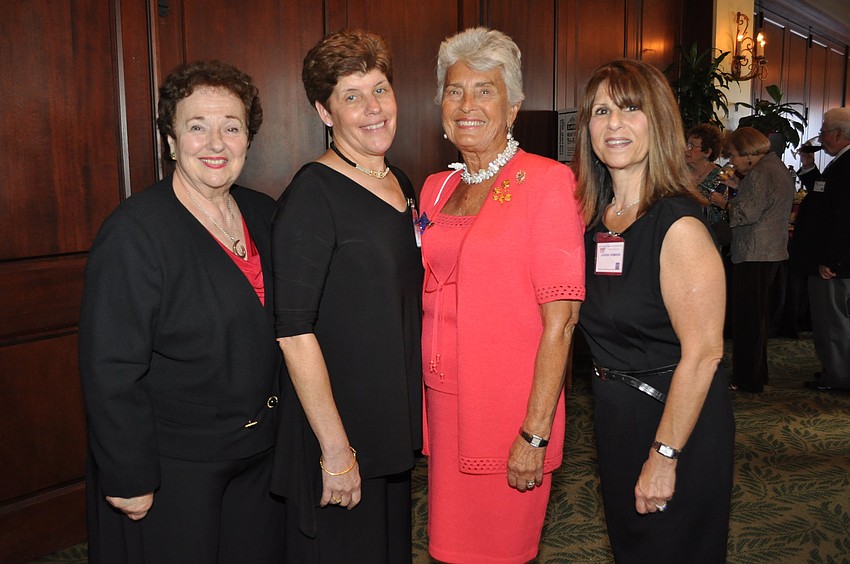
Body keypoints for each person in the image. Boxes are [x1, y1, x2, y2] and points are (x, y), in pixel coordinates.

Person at [78, 60, 285, 562]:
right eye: (197, 127)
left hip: (261, 456)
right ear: (171, 142)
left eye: (231, 127)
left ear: (248, 139)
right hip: (175, 468)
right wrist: (129, 475)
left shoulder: (266, 213)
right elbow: (111, 368)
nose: (216, 143)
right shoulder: (134, 233)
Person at [419, 27, 585, 563]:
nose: (467, 105)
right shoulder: (436, 188)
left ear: (513, 107)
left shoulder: (547, 183)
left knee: (501, 551)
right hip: (444, 402)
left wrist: (534, 433)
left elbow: (561, 323)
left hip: (508, 408)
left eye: (484, 90)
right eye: (455, 91)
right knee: (448, 548)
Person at [270, 29, 423, 562]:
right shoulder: (312, 195)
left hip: (388, 425)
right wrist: (336, 451)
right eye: (352, 96)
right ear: (325, 112)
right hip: (338, 432)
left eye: (380, 89)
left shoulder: (403, 183)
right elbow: (293, 333)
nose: (373, 108)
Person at [573, 59, 735, 562]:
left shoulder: (677, 225)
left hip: (676, 422)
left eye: (630, 109)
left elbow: (704, 354)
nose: (614, 124)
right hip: (616, 417)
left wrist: (665, 455)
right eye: (601, 111)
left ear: (659, 122)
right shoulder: (595, 223)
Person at [708, 127, 795, 392]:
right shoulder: (774, 165)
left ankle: (747, 379)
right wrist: (740, 187)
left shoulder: (759, 173)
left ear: (747, 153)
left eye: (733, 155)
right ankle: (757, 374)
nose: (732, 161)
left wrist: (723, 203)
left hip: (754, 251)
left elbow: (746, 214)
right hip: (769, 250)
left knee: (748, 319)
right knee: (757, 318)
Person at [792, 109, 850, 391]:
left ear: (839, 134)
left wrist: (832, 260)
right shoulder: (840, 162)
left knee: (833, 322)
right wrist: (809, 167)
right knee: (828, 320)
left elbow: (844, 219)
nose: (820, 137)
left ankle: (839, 378)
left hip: (834, 263)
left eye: (824, 131)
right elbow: (822, 197)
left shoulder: (847, 165)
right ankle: (833, 371)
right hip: (829, 258)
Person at [685, 123, 730, 244]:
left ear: (707, 152)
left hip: (708, 239)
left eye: (692, 146)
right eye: (687, 144)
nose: (686, 149)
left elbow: (717, 213)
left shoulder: (722, 176)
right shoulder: (680, 173)